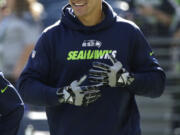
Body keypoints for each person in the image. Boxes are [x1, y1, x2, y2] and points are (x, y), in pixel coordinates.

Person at [17, 0, 166, 135]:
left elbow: (157, 84)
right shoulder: (51, 36)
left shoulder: (128, 32)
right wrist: (62, 95)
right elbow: (26, 87)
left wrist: (127, 79)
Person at [0, 0, 43, 84]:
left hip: (17, 74)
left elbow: (32, 43)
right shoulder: (10, 15)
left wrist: (19, 68)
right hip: (5, 71)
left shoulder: (27, 17)